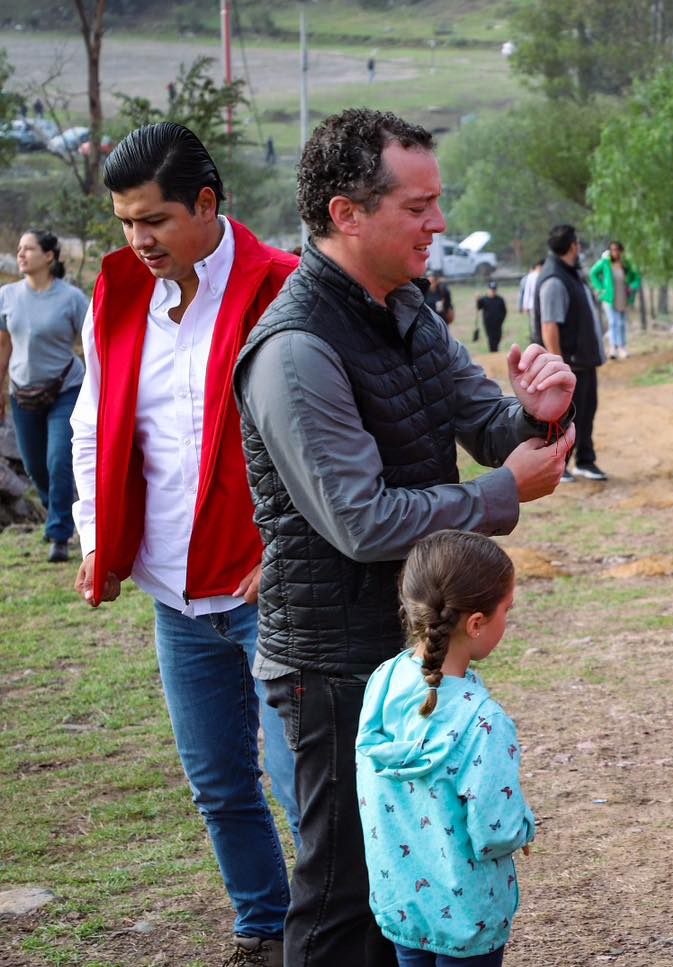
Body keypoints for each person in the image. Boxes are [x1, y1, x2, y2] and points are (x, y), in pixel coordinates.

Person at [234, 108, 573, 967]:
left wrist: (535, 410)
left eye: (438, 201)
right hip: (333, 661)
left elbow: (479, 416)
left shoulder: (406, 305)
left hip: (406, 649)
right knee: (346, 893)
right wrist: (503, 491)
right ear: (348, 214)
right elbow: (362, 520)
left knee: (418, 879)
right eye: (418, 207)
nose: (440, 223)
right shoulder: (296, 348)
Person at [69, 122, 301, 967]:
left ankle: (333, 934)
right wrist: (97, 532)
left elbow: (340, 435)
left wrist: (292, 550)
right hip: (175, 588)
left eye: (155, 220)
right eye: (126, 223)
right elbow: (94, 422)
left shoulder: (284, 286)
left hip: (270, 587)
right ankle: (263, 927)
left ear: (208, 204)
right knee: (218, 784)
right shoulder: (119, 290)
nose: (138, 241)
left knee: (302, 782)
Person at [357, 531, 535, 967]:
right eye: (506, 610)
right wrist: (525, 827)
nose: (508, 619)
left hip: (402, 902)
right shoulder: (483, 721)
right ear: (476, 623)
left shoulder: (384, 681)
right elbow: (496, 829)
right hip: (468, 914)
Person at [0, 229, 88, 562]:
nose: (21, 254)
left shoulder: (72, 298)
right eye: (19, 249)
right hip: (22, 393)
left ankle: (60, 536)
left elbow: (93, 342)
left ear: (49, 256)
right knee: (36, 467)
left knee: (58, 461)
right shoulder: (7, 296)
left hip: (65, 389)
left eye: (29, 249)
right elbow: (3, 346)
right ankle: (59, 516)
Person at [532, 224, 606, 483]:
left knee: (587, 412)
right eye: (578, 243)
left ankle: (585, 461)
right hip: (570, 366)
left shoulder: (571, 273)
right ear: (573, 245)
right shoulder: (554, 279)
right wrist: (559, 368)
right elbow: (549, 327)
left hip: (583, 363)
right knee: (565, 419)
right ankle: (558, 467)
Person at [588, 239, 641, 359]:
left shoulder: (626, 264)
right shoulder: (605, 263)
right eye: (612, 250)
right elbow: (593, 273)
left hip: (623, 296)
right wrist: (600, 288)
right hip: (609, 297)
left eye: (617, 250)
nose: (614, 252)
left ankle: (622, 347)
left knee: (621, 323)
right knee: (613, 322)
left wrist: (632, 287)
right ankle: (613, 348)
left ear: (621, 251)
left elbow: (636, 277)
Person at [475, 280, 507, 352]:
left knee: (497, 338)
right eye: (491, 289)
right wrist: (477, 299)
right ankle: (493, 351)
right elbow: (478, 307)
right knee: (491, 338)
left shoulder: (500, 299)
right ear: (488, 290)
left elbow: (504, 311)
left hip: (498, 323)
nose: (493, 291)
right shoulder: (484, 299)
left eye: (494, 289)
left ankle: (495, 350)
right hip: (488, 323)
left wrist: (501, 319)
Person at [518, 259, 542, 324]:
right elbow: (525, 293)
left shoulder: (542, 275)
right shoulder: (529, 277)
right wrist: (524, 305)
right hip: (532, 305)